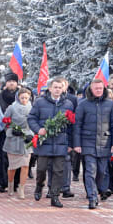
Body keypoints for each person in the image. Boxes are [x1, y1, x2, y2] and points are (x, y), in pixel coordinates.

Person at [28, 78, 74, 208]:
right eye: (55, 87)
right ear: (50, 88)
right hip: (44, 142)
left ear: (63, 89)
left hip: (60, 143)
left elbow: (71, 126)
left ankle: (54, 196)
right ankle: (39, 186)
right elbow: (31, 118)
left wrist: (70, 143)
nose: (57, 89)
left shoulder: (68, 104)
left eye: (60, 87)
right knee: (41, 169)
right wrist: (38, 130)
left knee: (59, 171)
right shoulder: (40, 102)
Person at [74, 79, 113, 209]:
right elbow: (77, 125)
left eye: (101, 88)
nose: (99, 90)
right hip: (87, 142)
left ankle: (99, 189)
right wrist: (77, 144)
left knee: (102, 172)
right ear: (91, 89)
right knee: (90, 171)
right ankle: (92, 197)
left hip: (105, 143)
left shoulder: (110, 105)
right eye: (96, 88)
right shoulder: (83, 104)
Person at [3, 88, 33, 199]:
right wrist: (10, 130)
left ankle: (21, 188)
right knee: (13, 166)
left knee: (25, 165)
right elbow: (5, 121)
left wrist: (31, 134)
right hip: (13, 140)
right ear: (18, 97)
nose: (24, 100)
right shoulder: (12, 107)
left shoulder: (32, 108)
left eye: (26, 97)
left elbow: (34, 123)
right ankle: (10, 184)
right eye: (22, 98)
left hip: (26, 140)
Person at [0, 72, 19, 192]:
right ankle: (0, 181)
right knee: (1, 157)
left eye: (13, 81)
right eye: (9, 81)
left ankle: (15, 182)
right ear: (6, 83)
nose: (11, 83)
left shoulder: (21, 95)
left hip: (17, 132)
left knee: (15, 157)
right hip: (2, 131)